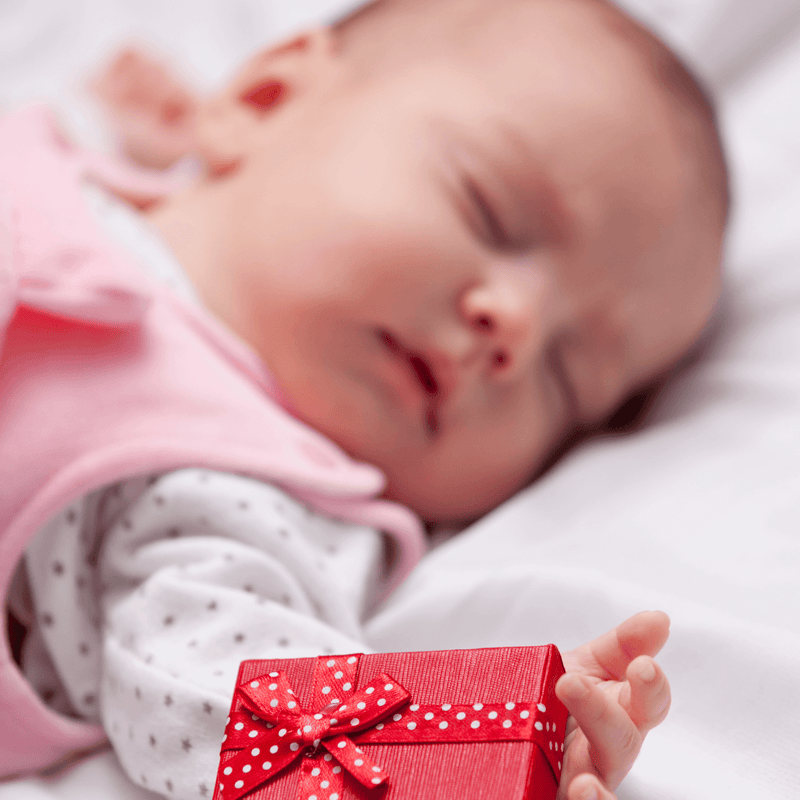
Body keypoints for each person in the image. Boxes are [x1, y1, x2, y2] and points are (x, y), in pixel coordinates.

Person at [1, 0, 727, 798]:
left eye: (564, 375)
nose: (513, 330)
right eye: (485, 208)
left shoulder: (236, 495)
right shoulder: (83, 163)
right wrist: (158, 133)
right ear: (262, 99)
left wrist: (495, 750)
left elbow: (229, 699)